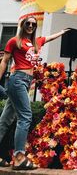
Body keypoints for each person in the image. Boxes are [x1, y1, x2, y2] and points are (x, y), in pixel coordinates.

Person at [0, 15, 69, 170]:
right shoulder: (14, 41)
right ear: (23, 25)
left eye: (33, 24)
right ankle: (19, 157)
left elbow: (48, 38)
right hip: (17, 79)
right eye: (27, 24)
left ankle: (17, 156)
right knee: (25, 116)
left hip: (24, 82)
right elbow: (5, 61)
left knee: (5, 120)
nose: (30, 26)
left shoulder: (36, 42)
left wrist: (62, 32)